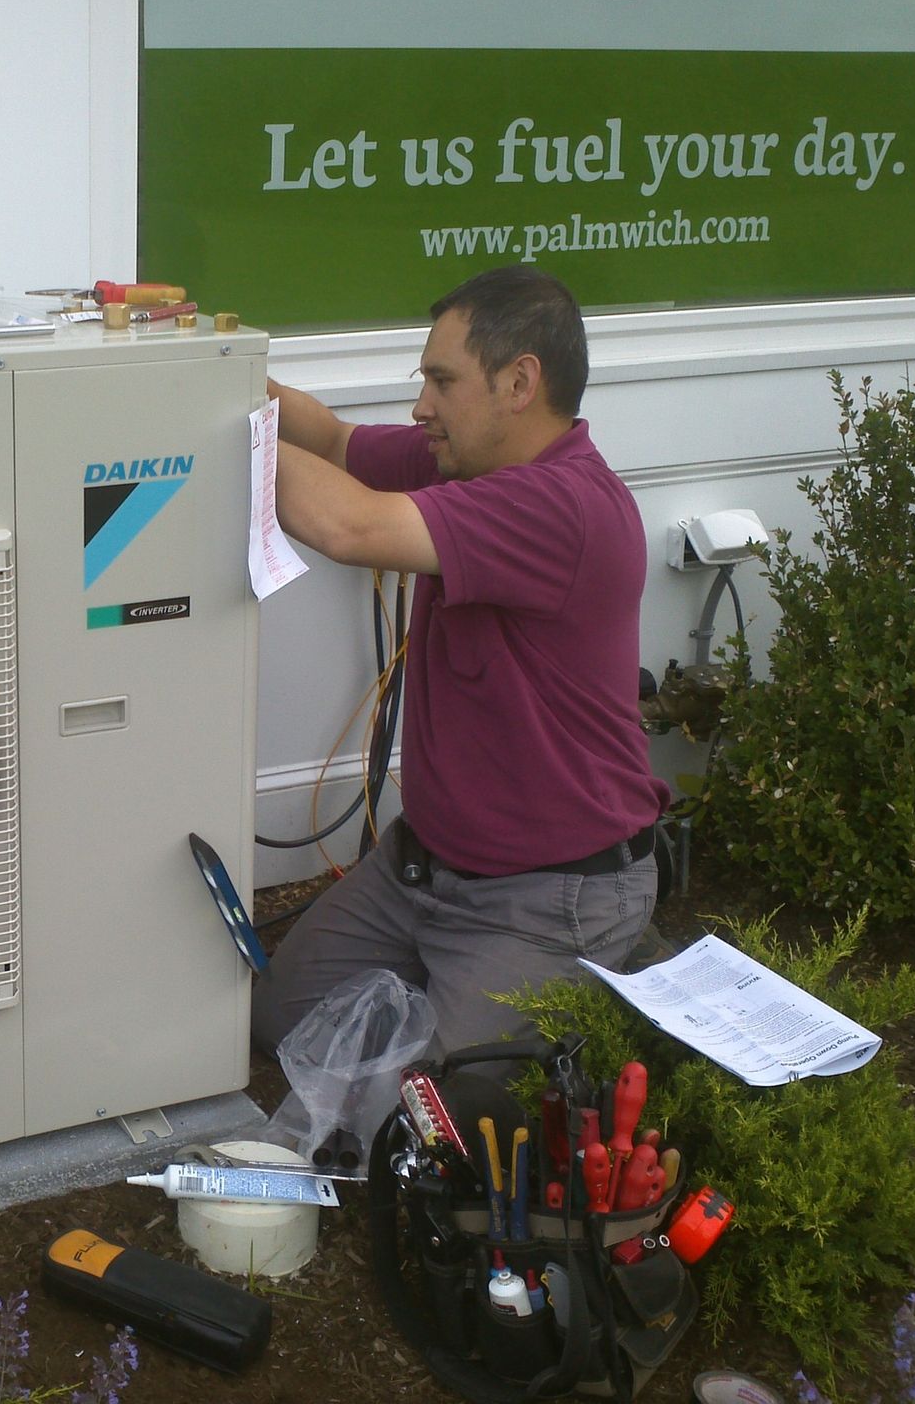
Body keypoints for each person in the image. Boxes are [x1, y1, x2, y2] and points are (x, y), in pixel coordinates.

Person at [252, 265, 670, 1061]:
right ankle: (505, 995)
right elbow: (333, 440)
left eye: (443, 382)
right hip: (429, 867)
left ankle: (611, 976)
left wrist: (203, 422)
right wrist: (217, 377)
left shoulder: (564, 507)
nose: (421, 407)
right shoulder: (468, 465)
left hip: (551, 893)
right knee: (283, 1021)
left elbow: (347, 528)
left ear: (520, 383)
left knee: (424, 1115)